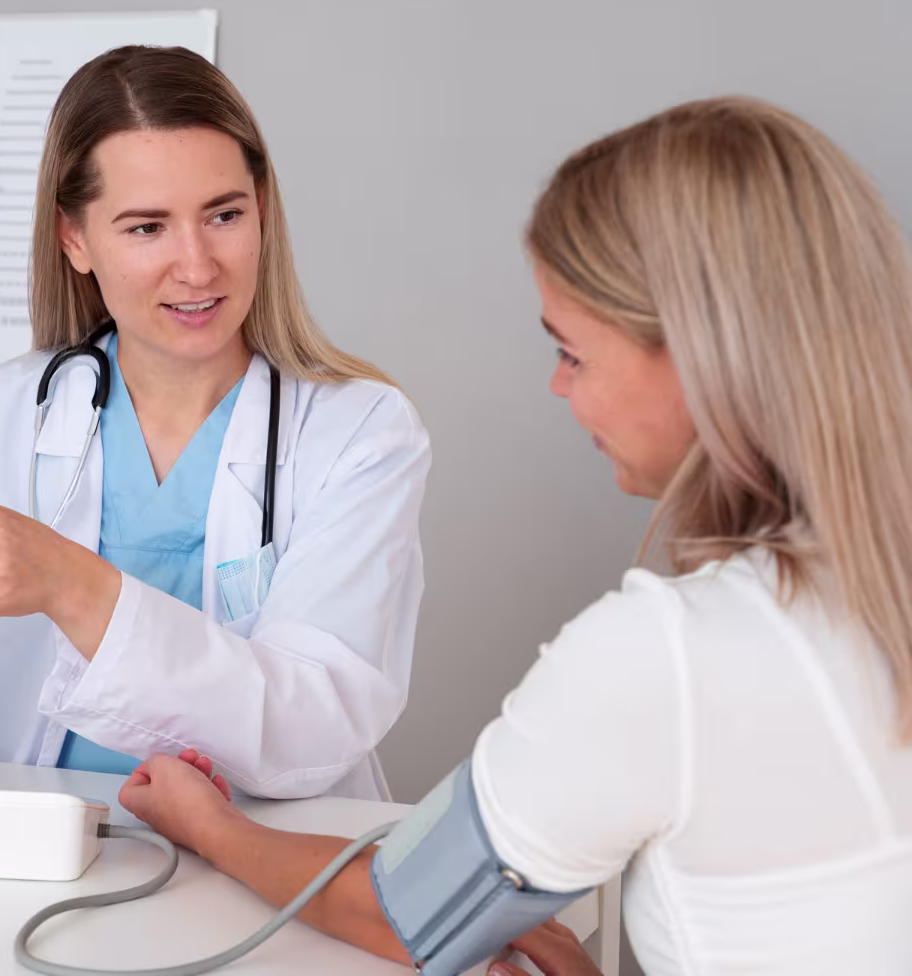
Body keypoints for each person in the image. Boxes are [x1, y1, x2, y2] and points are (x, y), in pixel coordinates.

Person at [117, 97, 912, 974]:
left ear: (701, 357)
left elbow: (405, 911)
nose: (557, 390)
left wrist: (207, 825)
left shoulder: (670, 651)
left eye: (572, 353)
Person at [0, 46, 430, 800]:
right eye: (146, 228)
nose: (196, 267)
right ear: (74, 239)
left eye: (224, 215)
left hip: (267, 857)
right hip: (11, 858)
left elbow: (312, 728)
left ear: (262, 209)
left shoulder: (358, 434)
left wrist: (70, 583)